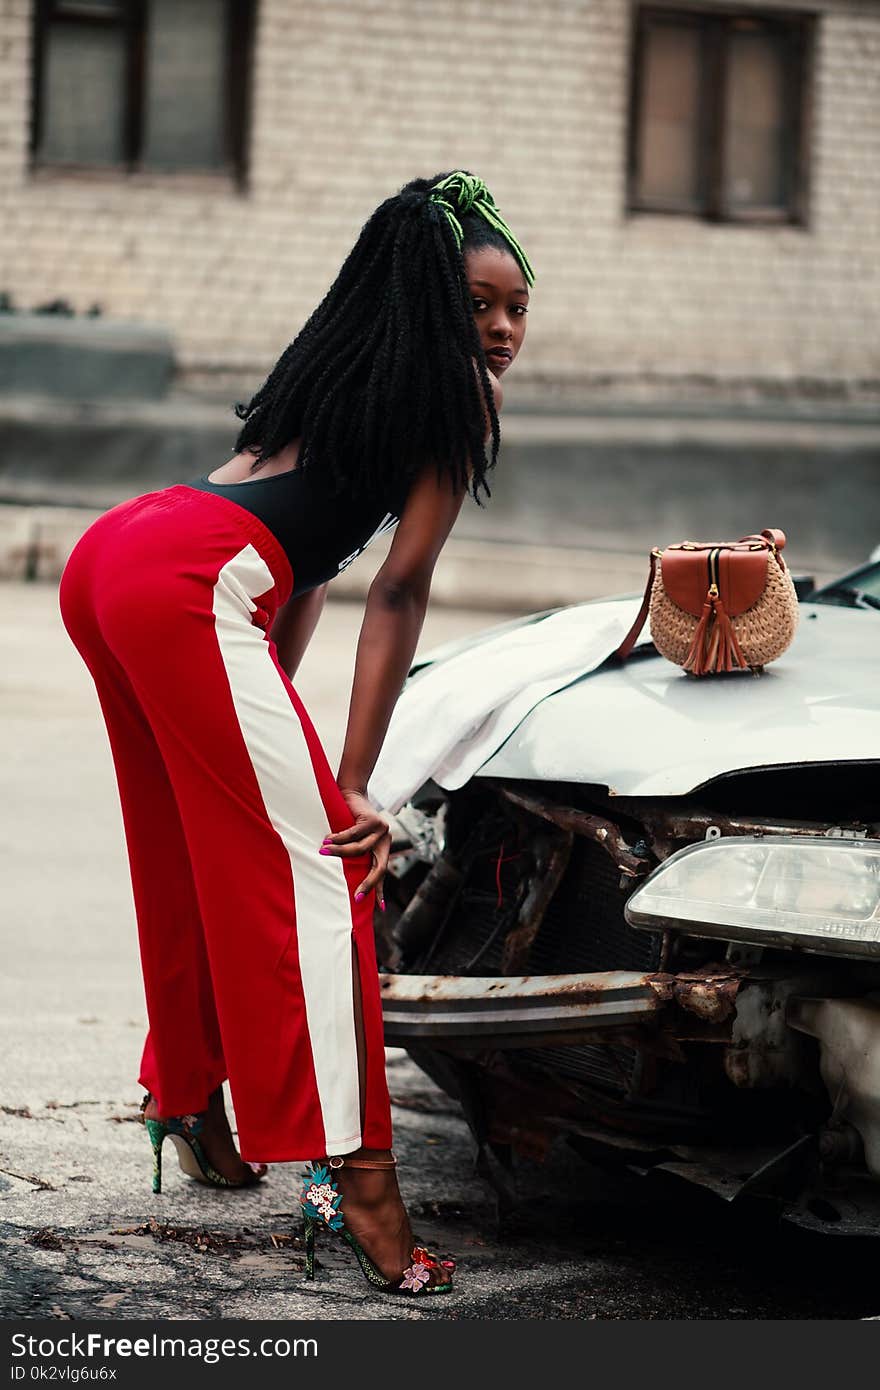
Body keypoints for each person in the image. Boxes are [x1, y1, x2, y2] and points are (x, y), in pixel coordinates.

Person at [58, 171, 533, 1298]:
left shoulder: (345, 380)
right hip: (186, 579)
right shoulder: (455, 397)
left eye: (518, 307)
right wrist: (350, 781)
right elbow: (399, 591)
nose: (502, 331)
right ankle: (366, 1189)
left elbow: (304, 560)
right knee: (330, 868)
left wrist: (270, 710)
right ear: (428, 304)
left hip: (121, 550)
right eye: (478, 305)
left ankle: (188, 1095)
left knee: (188, 851)